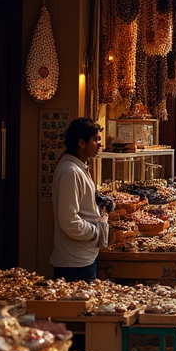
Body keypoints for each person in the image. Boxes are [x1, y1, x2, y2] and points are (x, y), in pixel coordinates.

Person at [51, 117, 109, 281]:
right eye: (95, 139)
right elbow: (69, 221)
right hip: (75, 262)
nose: (99, 144)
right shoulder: (70, 171)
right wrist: (96, 233)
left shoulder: (79, 166)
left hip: (82, 256)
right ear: (81, 143)